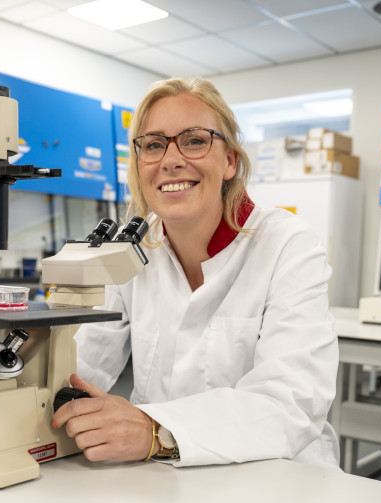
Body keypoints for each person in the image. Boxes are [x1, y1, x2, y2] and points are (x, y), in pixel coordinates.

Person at [52, 77, 340, 470]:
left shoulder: (288, 245)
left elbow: (290, 403)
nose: (170, 160)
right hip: (161, 483)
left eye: (194, 140)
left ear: (230, 161)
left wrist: (155, 431)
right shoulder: (130, 252)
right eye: (153, 145)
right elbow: (77, 368)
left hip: (279, 482)